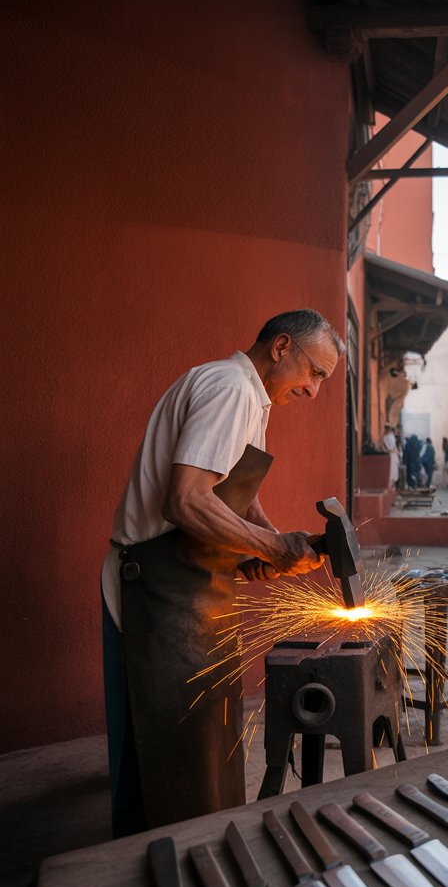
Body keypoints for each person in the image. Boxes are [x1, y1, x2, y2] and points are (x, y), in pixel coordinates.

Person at [101, 309, 342, 836]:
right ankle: (141, 864)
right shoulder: (230, 388)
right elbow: (187, 500)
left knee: (202, 745)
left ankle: (200, 846)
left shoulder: (252, 399)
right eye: (314, 373)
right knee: (159, 756)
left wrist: (271, 542)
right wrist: (272, 547)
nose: (313, 390)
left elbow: (234, 495)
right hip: (156, 587)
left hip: (192, 587)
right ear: (282, 346)